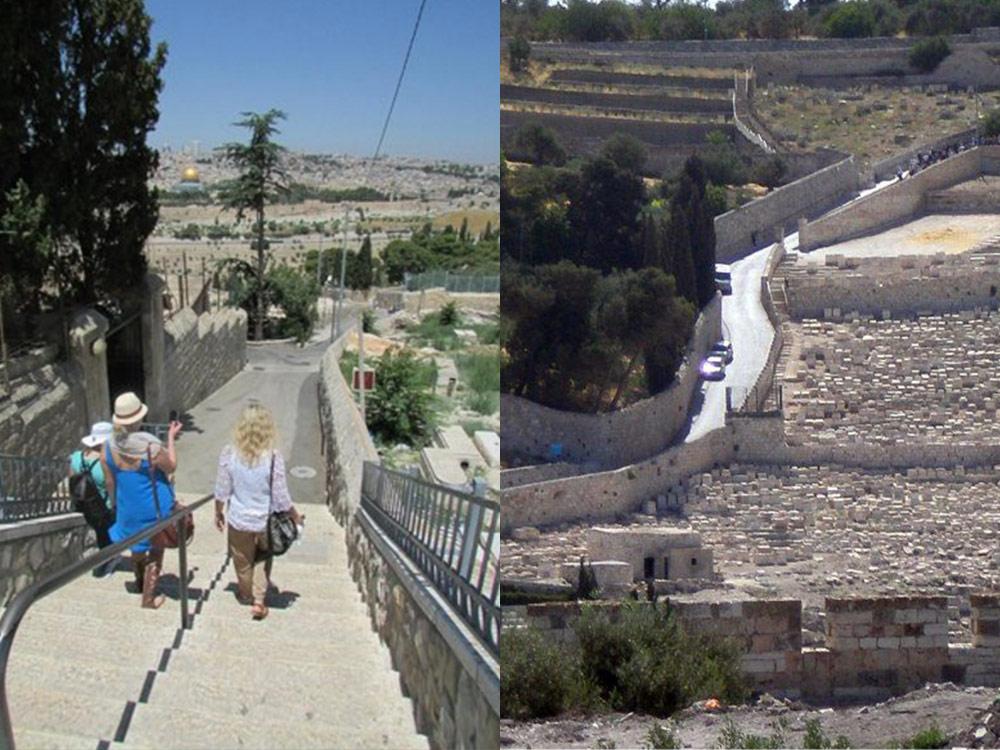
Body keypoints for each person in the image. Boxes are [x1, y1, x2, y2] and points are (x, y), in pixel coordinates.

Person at [214, 402, 304, 620]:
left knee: (242, 560)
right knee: (263, 557)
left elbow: (222, 489)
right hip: (265, 520)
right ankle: (258, 601)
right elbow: (281, 497)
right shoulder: (273, 457)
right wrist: (295, 516)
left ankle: (246, 594)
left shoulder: (229, 453)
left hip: (238, 519)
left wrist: (218, 512)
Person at [101, 392, 182, 609]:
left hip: (128, 506)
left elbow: (110, 482)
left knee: (136, 545)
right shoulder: (150, 446)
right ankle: (148, 597)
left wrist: (115, 505)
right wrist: (171, 437)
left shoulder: (108, 447)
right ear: (138, 418)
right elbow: (171, 466)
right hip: (155, 507)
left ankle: (138, 581)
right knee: (156, 548)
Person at [69, 421, 116, 577]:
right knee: (107, 535)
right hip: (103, 504)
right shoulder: (106, 460)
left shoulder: (76, 458)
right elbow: (109, 484)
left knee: (100, 534)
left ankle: (105, 561)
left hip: (84, 504)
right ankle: (107, 563)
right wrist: (114, 504)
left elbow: (72, 480)